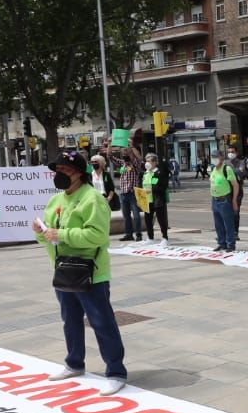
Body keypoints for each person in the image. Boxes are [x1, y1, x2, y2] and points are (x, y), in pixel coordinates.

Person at [33, 153, 126, 396]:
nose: (59, 174)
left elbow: (98, 236)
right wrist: (41, 233)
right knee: (70, 320)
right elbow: (49, 236)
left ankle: (116, 372)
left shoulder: (92, 199)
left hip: (91, 272)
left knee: (102, 322)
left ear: (78, 173)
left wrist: (61, 235)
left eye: (65, 169)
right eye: (57, 169)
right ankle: (74, 363)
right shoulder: (56, 200)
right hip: (64, 271)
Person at [208, 148, 240, 252]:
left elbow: (235, 185)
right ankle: (222, 243)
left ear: (221, 158)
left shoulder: (226, 169)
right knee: (218, 224)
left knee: (228, 223)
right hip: (215, 199)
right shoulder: (213, 170)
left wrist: (234, 200)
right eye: (212, 157)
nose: (214, 159)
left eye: (216, 157)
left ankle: (231, 244)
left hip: (224, 200)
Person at [140, 152, 171, 244]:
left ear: (154, 163)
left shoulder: (159, 173)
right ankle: (150, 237)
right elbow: (141, 185)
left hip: (158, 200)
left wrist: (152, 189)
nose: (147, 163)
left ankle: (165, 238)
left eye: (149, 161)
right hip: (147, 200)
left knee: (161, 219)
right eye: (146, 161)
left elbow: (163, 186)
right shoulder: (145, 173)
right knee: (148, 220)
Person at [115, 150, 140, 241]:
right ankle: (128, 234)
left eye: (127, 153)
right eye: (123, 154)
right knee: (126, 216)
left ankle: (138, 234)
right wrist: (109, 144)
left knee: (136, 215)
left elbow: (138, 158)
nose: (125, 155)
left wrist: (131, 148)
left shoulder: (135, 164)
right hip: (123, 193)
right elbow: (110, 156)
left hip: (132, 193)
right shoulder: (122, 164)